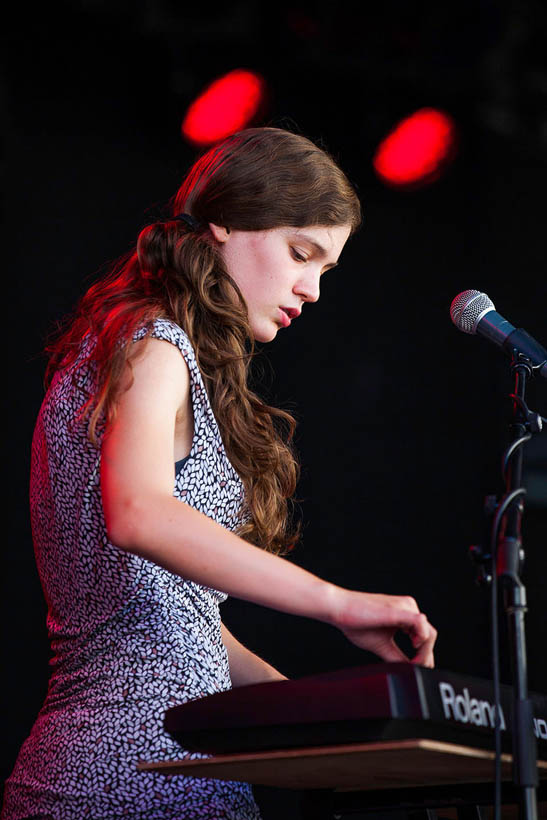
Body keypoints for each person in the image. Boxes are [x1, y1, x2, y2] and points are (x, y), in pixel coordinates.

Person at [2, 127, 437, 820]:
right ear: (225, 221)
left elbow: (182, 625)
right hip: (127, 774)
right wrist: (338, 602)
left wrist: (336, 725)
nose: (312, 289)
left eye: (326, 269)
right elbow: (139, 513)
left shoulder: (136, 341)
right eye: (302, 254)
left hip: (152, 768)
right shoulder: (153, 343)